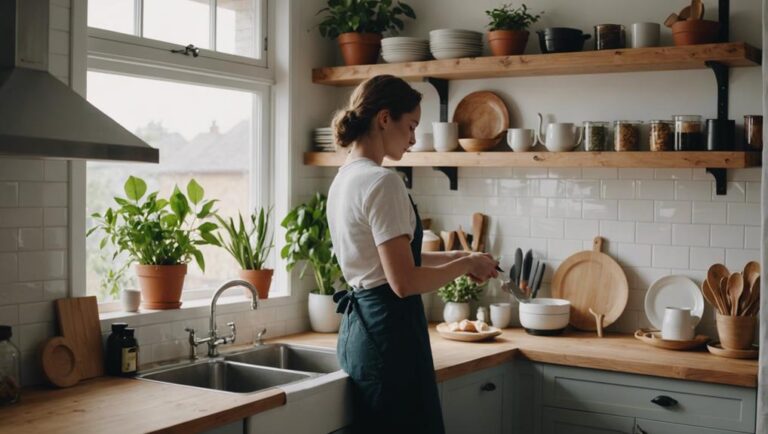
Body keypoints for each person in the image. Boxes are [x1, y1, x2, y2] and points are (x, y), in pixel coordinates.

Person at [327, 75, 500, 434]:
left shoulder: (344, 178)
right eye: (411, 126)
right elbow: (403, 281)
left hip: (360, 332)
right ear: (384, 118)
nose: (413, 139)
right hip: (390, 336)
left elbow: (391, 262)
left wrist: (456, 255)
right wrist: (465, 263)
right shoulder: (382, 181)